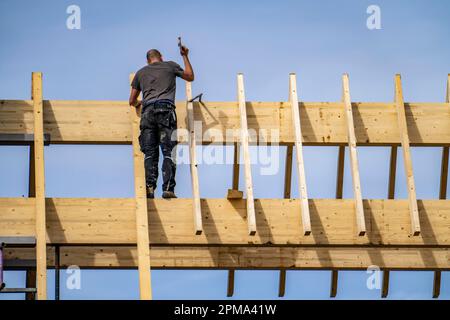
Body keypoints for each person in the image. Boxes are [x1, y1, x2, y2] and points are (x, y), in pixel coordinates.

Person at [129, 45, 194, 198]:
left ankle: (149, 188)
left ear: (147, 61)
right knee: (168, 151)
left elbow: (131, 100)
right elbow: (190, 76)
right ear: (161, 57)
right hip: (165, 110)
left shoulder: (141, 73)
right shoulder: (170, 66)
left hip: (147, 113)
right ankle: (168, 188)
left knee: (150, 153)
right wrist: (185, 56)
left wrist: (140, 104)